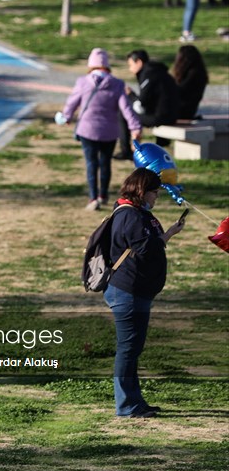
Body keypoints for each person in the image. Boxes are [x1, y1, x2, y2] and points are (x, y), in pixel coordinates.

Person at [104, 168, 185, 418]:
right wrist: (165, 236)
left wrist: (169, 233)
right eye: (154, 193)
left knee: (132, 348)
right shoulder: (130, 215)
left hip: (135, 291)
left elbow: (148, 244)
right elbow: (146, 247)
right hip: (127, 292)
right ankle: (127, 406)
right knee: (128, 349)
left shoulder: (135, 213)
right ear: (142, 191)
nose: (156, 197)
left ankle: (134, 401)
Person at [59, 48, 141, 210]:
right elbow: (126, 109)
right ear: (107, 65)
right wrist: (135, 127)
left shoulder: (83, 81)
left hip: (87, 130)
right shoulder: (117, 84)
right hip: (109, 131)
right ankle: (103, 195)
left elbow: (72, 102)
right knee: (105, 163)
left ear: (91, 65)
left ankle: (92, 198)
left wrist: (66, 116)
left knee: (91, 163)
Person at [122, 50, 179, 153]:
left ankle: (126, 151)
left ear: (139, 62)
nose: (130, 69)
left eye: (130, 65)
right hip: (171, 115)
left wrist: (130, 94)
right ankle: (162, 142)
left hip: (161, 118)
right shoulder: (158, 71)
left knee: (124, 113)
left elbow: (140, 105)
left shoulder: (148, 74)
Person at [170, 44, 208, 120]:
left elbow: (180, 91)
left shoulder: (195, 73)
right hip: (186, 109)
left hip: (184, 111)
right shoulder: (195, 72)